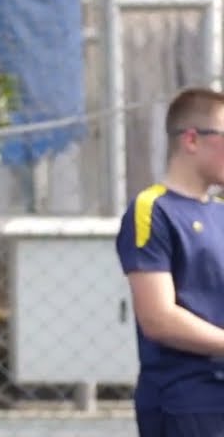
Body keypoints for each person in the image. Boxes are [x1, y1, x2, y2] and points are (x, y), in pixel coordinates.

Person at [116, 87, 224, 437]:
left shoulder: (220, 212)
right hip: (188, 399)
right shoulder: (154, 209)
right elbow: (158, 318)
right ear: (191, 139)